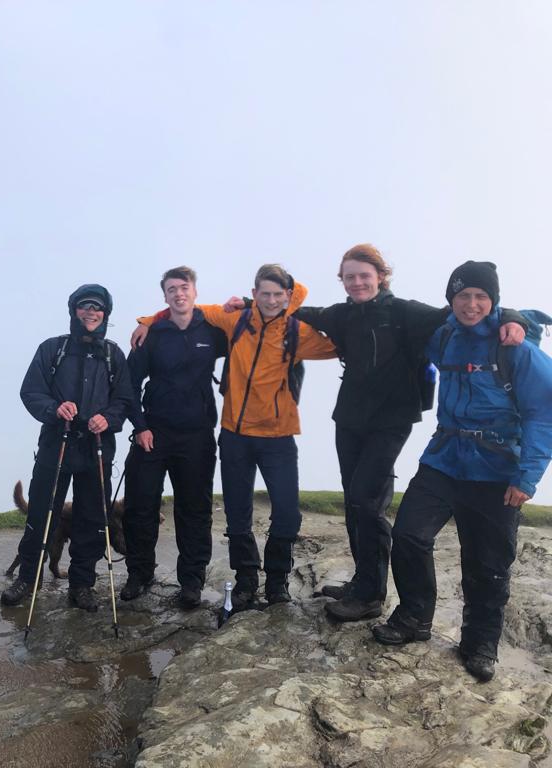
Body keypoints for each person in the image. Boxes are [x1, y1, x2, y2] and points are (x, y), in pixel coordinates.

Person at [292, 245, 526, 622]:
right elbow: (303, 310)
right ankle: (364, 580)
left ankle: (370, 596)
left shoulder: (404, 312)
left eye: (364, 275)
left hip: (390, 421)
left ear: (380, 277)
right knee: (354, 500)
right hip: (349, 419)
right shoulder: (341, 315)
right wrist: (246, 305)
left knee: (368, 502)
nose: (357, 282)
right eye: (349, 277)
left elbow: (463, 311)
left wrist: (513, 317)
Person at [371, 261, 552, 683]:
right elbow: (405, 327)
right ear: (451, 299)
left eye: (481, 297)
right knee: (410, 535)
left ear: (494, 301)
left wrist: (527, 478)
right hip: (444, 459)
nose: (471, 304)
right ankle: (415, 617)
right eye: (463, 295)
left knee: (488, 562)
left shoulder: (517, 349)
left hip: (497, 468)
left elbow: (543, 414)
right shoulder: (444, 336)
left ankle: (480, 643)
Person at [133, 264, 336, 608]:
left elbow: (333, 347)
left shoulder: (295, 331)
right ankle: (245, 580)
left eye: (278, 294)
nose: (271, 301)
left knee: (287, 513)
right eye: (264, 294)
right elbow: (187, 309)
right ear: (254, 294)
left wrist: (293, 302)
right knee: (238, 514)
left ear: (288, 296)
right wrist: (148, 321)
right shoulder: (234, 321)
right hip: (235, 436)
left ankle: (276, 581)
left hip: (278, 436)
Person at [1, 284, 134, 612]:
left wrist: (108, 418)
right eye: (84, 306)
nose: (91, 312)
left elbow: (125, 400)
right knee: (41, 514)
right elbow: (31, 392)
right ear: (74, 311)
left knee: (91, 519)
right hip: (55, 444)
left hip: (98, 447)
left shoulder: (113, 355)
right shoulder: (52, 349)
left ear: (106, 314)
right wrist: (54, 410)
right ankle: (27, 580)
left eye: (97, 307)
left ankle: (82, 584)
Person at [121, 266, 228, 609]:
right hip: (153, 432)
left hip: (197, 435)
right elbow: (128, 385)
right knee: (140, 506)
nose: (178, 293)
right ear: (164, 296)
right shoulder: (151, 334)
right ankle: (140, 573)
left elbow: (248, 329)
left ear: (195, 291)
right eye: (171, 290)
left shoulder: (212, 329)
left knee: (194, 510)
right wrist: (140, 427)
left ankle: (192, 581)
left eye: (184, 287)